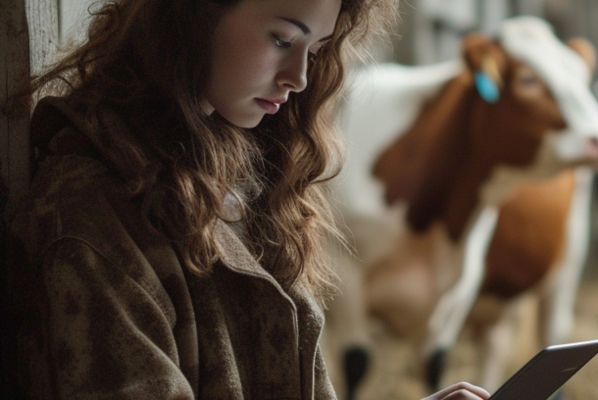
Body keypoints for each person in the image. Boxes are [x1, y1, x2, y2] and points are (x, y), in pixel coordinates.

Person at [2, 0, 491, 399]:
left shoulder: (248, 183)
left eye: (315, 50)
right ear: (195, 15)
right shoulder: (91, 220)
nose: (299, 76)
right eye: (282, 39)